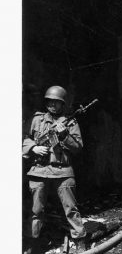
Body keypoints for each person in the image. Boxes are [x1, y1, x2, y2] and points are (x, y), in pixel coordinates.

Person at [22, 86, 87, 254]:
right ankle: (32, 243)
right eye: (50, 101)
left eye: (56, 102)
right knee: (35, 210)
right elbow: (23, 138)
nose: (52, 105)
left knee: (71, 209)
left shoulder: (70, 122)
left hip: (63, 171)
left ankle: (80, 241)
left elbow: (78, 147)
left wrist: (65, 135)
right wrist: (33, 148)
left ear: (62, 104)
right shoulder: (36, 120)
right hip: (39, 170)